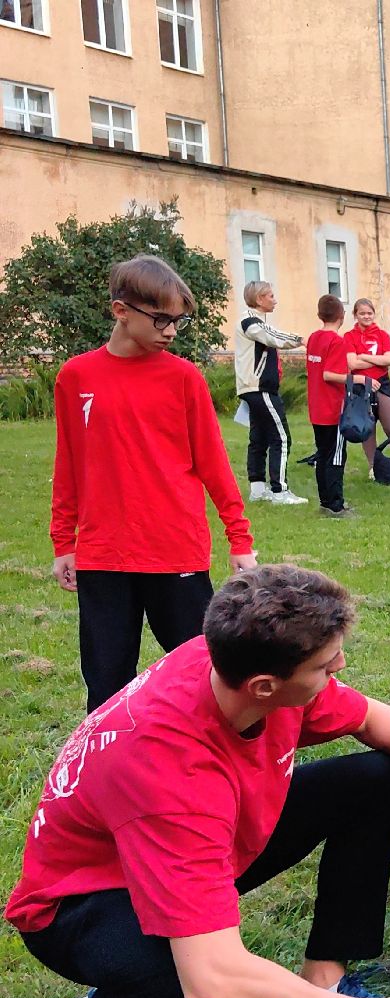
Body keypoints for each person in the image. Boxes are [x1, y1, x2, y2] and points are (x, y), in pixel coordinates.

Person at [7, 564, 390, 998]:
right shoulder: (173, 777)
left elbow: (367, 719)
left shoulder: (231, 661)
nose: (340, 666)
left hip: (207, 834)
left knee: (374, 779)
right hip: (81, 901)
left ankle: (325, 978)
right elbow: (216, 982)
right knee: (180, 983)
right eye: (326, 666)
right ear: (263, 687)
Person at [52, 255, 258, 713]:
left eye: (177, 321)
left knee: (207, 673)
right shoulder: (76, 377)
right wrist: (63, 542)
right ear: (121, 310)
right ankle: (104, 773)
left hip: (174, 550)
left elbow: (214, 464)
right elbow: (69, 464)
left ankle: (221, 761)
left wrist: (238, 537)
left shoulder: (184, 377)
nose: (170, 331)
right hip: (104, 555)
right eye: (161, 319)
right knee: (106, 681)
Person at [236, 282, 307, 506]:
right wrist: (302, 340)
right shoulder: (251, 322)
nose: (275, 300)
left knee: (259, 438)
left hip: (254, 389)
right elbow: (273, 337)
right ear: (259, 299)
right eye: (270, 296)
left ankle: (257, 489)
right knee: (282, 437)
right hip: (259, 388)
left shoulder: (255, 322)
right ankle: (280, 491)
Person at [304, 295, 354, 518]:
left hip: (316, 407)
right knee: (336, 456)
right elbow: (329, 374)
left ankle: (326, 501)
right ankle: (336, 505)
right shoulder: (337, 342)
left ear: (319, 315)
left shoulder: (314, 337)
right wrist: (355, 380)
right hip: (333, 408)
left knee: (323, 455)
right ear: (342, 317)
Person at [342, 299, 390, 479]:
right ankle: (373, 467)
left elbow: (389, 360)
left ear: (374, 314)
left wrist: (364, 356)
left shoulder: (382, 335)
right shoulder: (349, 337)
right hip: (360, 386)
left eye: (369, 313)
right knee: (367, 426)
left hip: (382, 383)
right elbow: (352, 363)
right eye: (362, 313)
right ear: (355, 315)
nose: (366, 316)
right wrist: (377, 358)